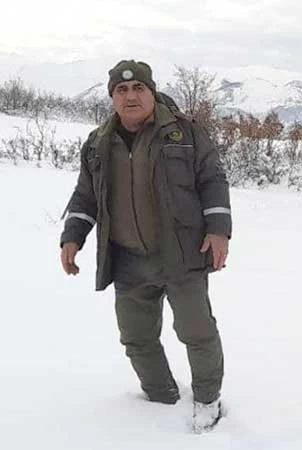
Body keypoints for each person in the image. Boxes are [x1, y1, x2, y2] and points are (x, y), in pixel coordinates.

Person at [59, 60, 231, 432]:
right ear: (112, 98)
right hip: (128, 260)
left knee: (197, 331)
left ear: (151, 93)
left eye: (138, 88)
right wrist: (73, 236)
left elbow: (213, 180)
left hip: (182, 254)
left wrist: (219, 229)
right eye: (121, 90)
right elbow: (85, 195)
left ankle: (206, 400)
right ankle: (161, 399)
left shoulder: (184, 133)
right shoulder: (98, 143)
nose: (130, 96)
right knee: (136, 337)